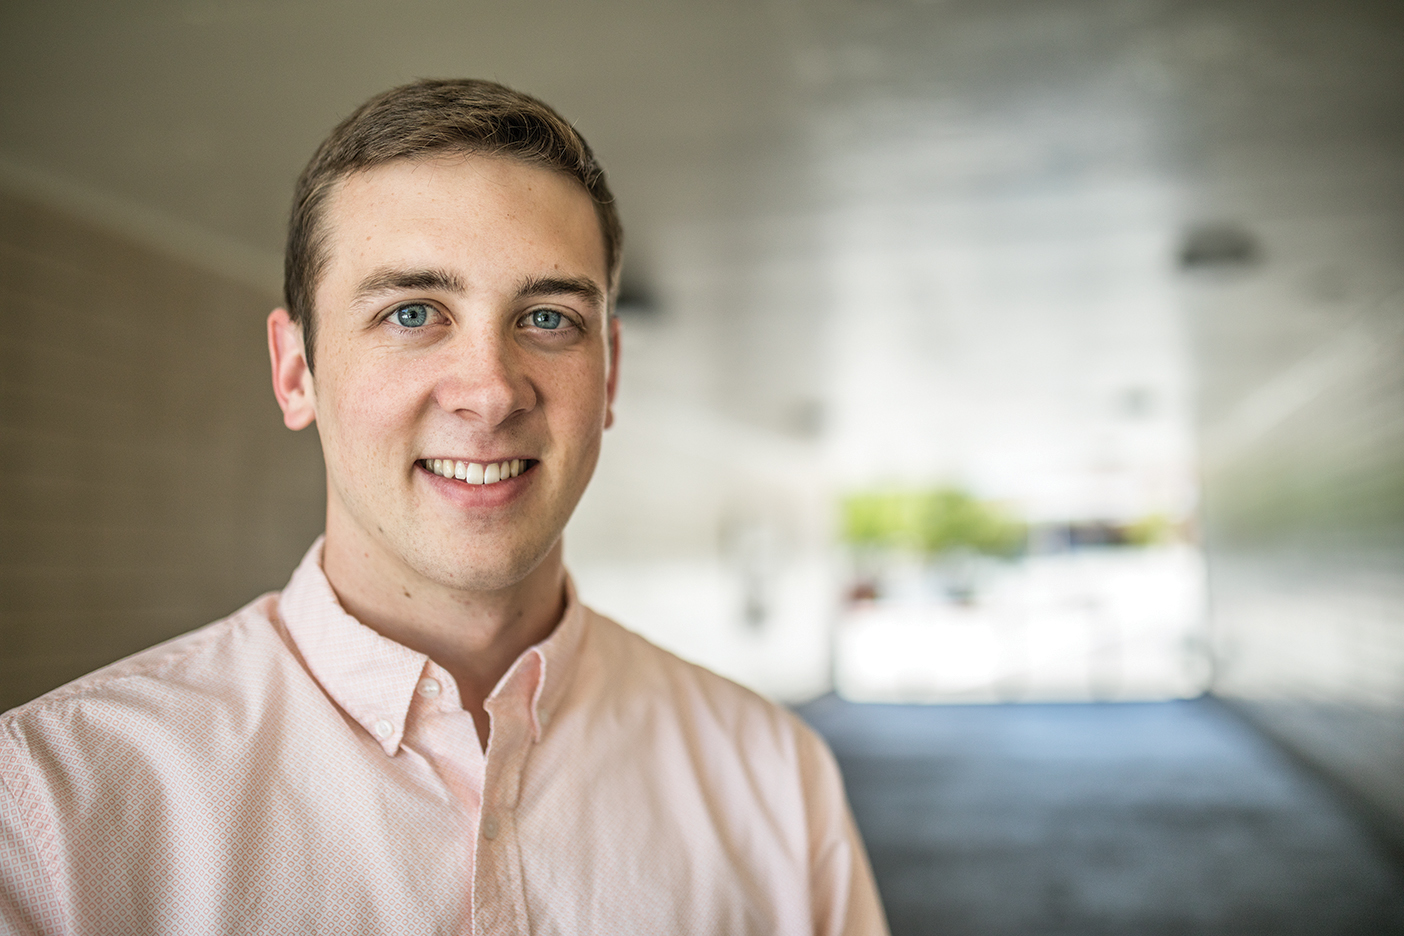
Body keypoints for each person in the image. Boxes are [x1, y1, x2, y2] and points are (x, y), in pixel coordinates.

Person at [0, 79, 887, 935]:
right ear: (295, 369)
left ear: (609, 372)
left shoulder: (771, 775)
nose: (491, 392)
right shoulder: (52, 806)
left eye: (547, 318)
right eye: (413, 311)